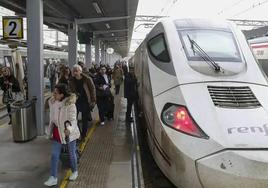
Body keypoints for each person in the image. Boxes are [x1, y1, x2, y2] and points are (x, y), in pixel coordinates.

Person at [44, 83, 80, 186]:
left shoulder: (70, 105)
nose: (53, 95)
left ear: (62, 95)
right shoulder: (53, 102)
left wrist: (69, 129)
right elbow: (52, 118)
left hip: (68, 133)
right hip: (56, 132)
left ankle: (74, 171)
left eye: (55, 93)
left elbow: (73, 120)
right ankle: (53, 177)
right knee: (54, 155)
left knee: (71, 154)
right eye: (53, 92)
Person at [69, 64, 96, 141]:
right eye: (74, 71)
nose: (75, 72)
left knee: (84, 119)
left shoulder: (87, 79)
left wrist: (93, 100)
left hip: (85, 101)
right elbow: (69, 90)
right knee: (74, 119)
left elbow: (92, 90)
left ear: (80, 71)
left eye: (76, 71)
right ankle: (77, 134)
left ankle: (84, 135)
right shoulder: (71, 80)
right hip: (75, 102)